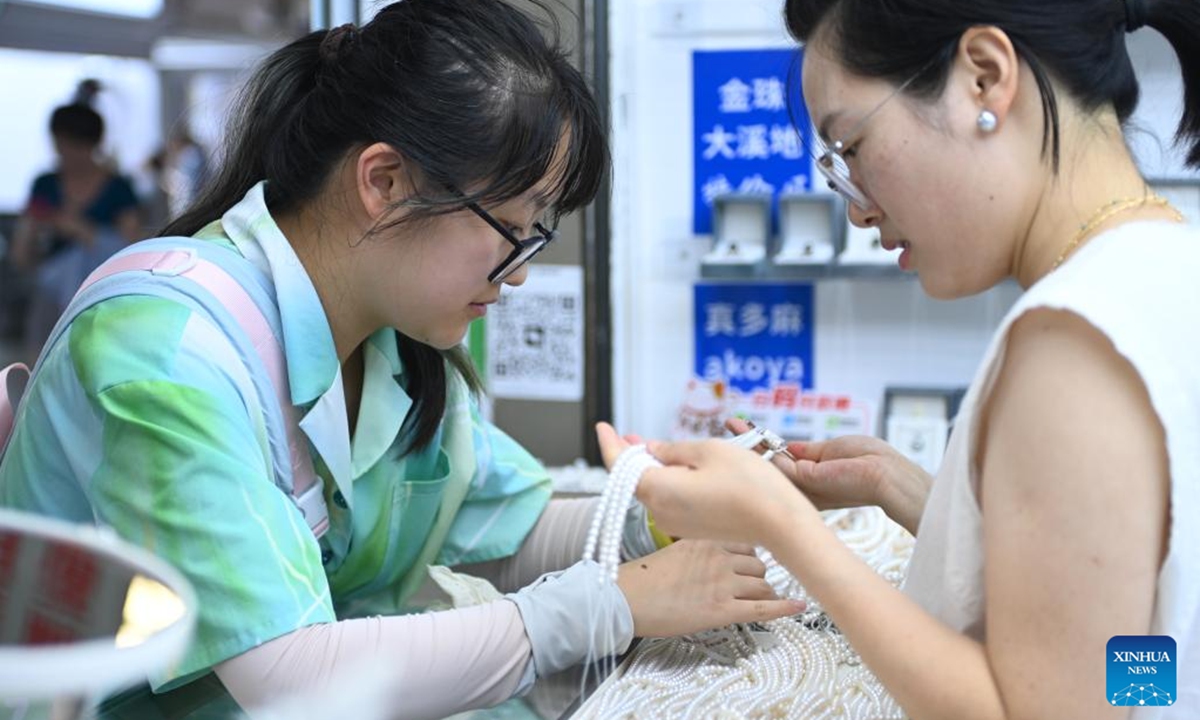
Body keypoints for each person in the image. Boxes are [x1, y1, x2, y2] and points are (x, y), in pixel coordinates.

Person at [0, 1, 802, 718]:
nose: (521, 269)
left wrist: (662, 515)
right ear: (383, 180)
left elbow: (500, 527)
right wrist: (610, 605)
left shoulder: (396, 335)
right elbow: (292, 679)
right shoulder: (165, 352)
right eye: (514, 226)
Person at [600, 0, 1200, 718]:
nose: (856, 209)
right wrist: (912, 492)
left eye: (849, 148)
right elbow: (1140, 652)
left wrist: (780, 524)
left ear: (984, 78)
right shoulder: (1161, 267)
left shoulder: (1069, 346)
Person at [10, 87, 141, 361]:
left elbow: (133, 250)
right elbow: (22, 255)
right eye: (60, 145)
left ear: (92, 145)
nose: (65, 153)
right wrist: (33, 231)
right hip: (51, 296)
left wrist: (82, 231)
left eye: (73, 146)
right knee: (42, 361)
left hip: (101, 297)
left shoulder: (118, 188)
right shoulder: (45, 185)